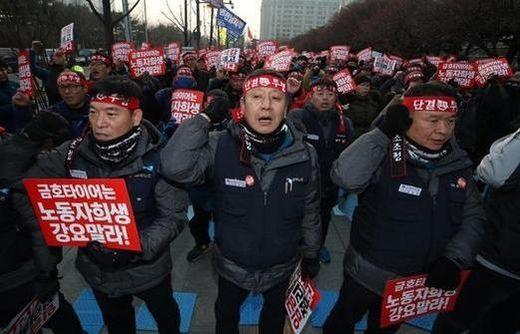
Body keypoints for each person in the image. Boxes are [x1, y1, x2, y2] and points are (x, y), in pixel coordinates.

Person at [14, 76, 189, 334]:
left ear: (136, 116)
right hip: (97, 269)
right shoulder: (72, 152)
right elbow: (19, 180)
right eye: (93, 113)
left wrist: (135, 246)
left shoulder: (160, 156)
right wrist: (27, 136)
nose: (99, 123)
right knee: (117, 322)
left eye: (111, 113)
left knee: (165, 314)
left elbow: (173, 217)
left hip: (147, 268)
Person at [161, 69, 322, 334]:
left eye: (276, 98)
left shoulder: (306, 153)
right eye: (256, 96)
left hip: (282, 266)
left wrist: (312, 252)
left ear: (287, 106)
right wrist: (203, 118)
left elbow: (310, 208)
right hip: (232, 266)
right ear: (242, 105)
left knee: (273, 320)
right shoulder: (218, 145)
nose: (266, 105)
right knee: (226, 316)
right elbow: (174, 167)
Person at [323, 82, 485, 334]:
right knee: (341, 321)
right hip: (366, 274)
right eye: (433, 120)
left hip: (412, 285)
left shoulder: (459, 162)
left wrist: (455, 258)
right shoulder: (383, 152)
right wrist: (382, 133)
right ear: (407, 118)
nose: (443, 130)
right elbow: (345, 177)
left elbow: (473, 215)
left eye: (450, 121)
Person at [0, 112, 83, 333]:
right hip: (19, 274)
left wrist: (45, 273)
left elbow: (38, 228)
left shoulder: (13, 178)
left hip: (21, 277)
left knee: (62, 321)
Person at [432, 127, 520, 334]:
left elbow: (492, 172)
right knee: (500, 323)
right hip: (505, 249)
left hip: (500, 250)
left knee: (459, 317)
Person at [288, 77, 354, 263]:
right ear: (311, 96)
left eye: (330, 94)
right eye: (320, 94)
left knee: (323, 218)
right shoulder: (298, 116)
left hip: (329, 184)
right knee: (298, 219)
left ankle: (319, 245)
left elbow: (347, 154)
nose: (325, 98)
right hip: (301, 183)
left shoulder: (345, 123)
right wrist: (288, 95)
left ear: (336, 97)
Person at [13, 70, 90, 137]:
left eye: (72, 86)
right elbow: (25, 137)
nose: (67, 91)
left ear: (85, 88)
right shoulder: (50, 115)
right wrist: (21, 109)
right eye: (62, 87)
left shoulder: (99, 110)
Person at [0, 59, 32, 132]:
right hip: (6, 132)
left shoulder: (16, 85)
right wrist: (15, 105)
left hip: (25, 128)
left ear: (7, 70)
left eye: (2, 70)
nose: (0, 73)